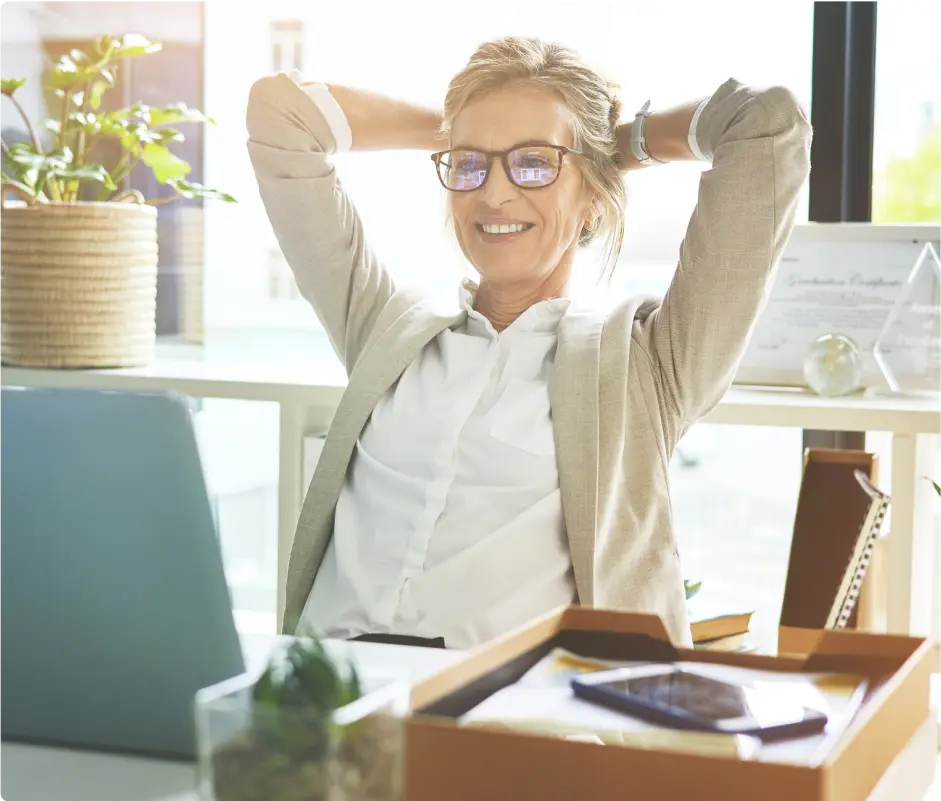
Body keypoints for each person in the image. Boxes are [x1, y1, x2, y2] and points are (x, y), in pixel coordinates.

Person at [246, 36, 812, 649]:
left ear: (593, 198)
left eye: (535, 164)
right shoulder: (388, 331)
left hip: (504, 720)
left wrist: (621, 145)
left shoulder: (648, 366)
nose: (494, 194)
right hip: (319, 705)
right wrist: (457, 132)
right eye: (470, 166)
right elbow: (281, 114)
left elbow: (765, 122)